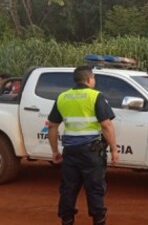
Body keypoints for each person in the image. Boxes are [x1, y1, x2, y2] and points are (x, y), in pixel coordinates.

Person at [48, 66, 119, 225]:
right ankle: (98, 220)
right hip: (91, 152)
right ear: (88, 79)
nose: (94, 81)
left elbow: (52, 126)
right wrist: (114, 149)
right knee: (95, 188)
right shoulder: (95, 96)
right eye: (93, 78)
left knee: (68, 188)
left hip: (70, 152)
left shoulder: (62, 97)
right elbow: (106, 125)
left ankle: (67, 220)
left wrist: (54, 151)